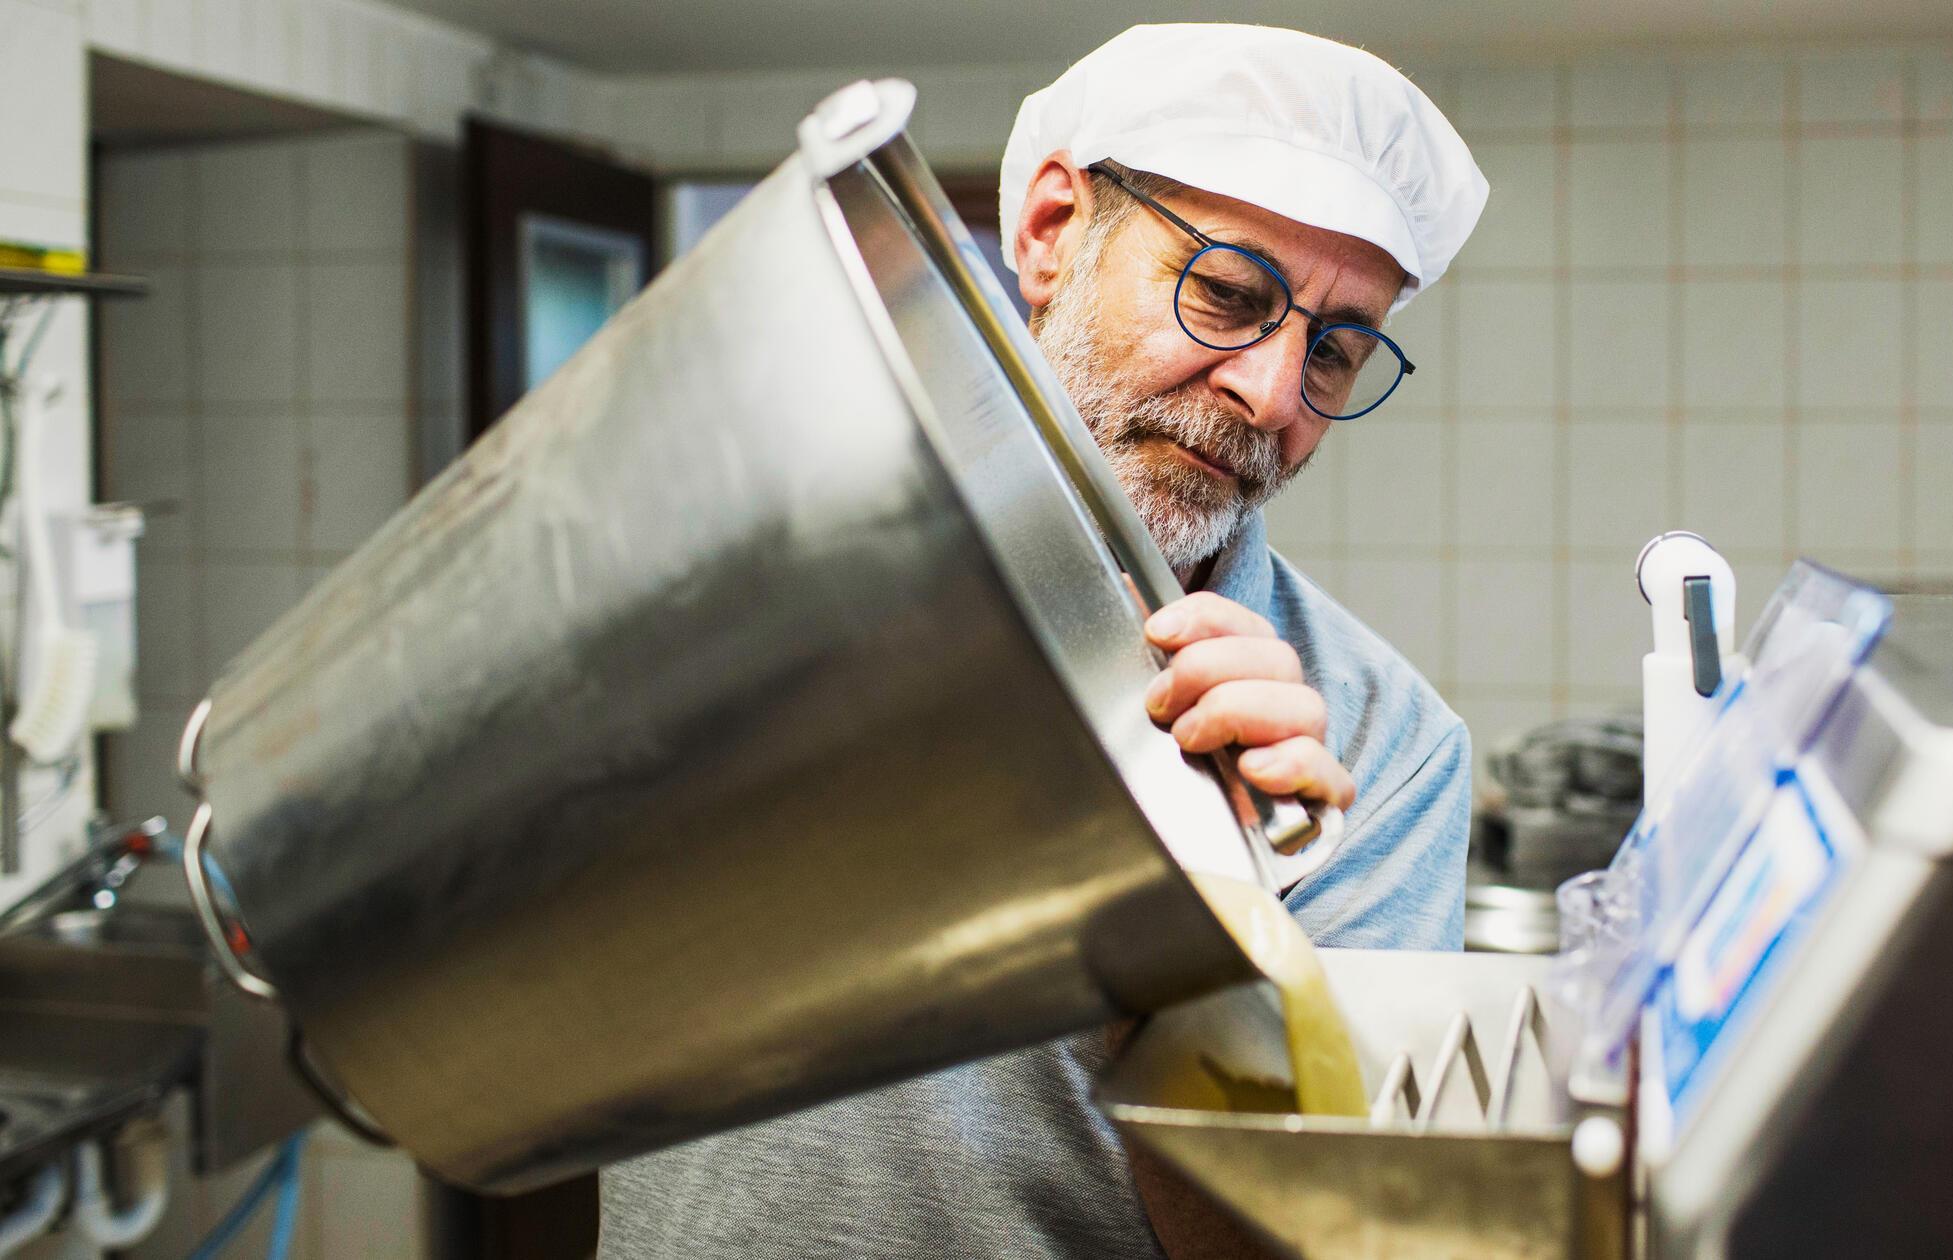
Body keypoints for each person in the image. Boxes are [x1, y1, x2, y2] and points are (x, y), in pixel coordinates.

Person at [600, 23, 1488, 1258]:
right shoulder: (755, 558)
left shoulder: (1378, 756)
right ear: (1050, 232)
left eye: (1333, 351)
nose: (1274, 394)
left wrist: (1199, 947)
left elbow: (1310, 1250)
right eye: (1228, 293)